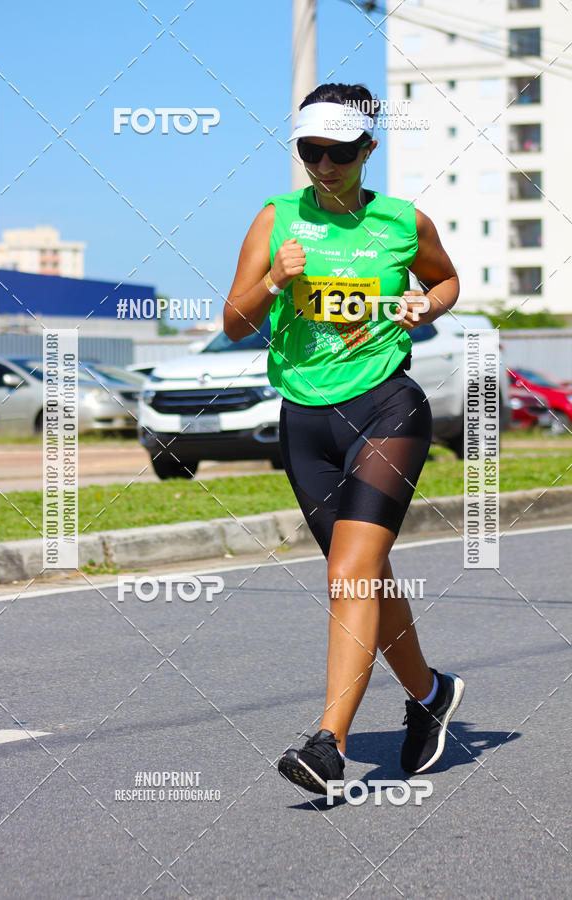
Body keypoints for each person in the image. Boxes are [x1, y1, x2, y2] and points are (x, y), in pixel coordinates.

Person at [223, 82, 464, 796]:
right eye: (310, 151)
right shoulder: (276, 219)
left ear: (368, 149)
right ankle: (430, 695)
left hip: (388, 406)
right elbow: (236, 321)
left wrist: (427, 303)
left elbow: (447, 281)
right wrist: (272, 278)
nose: (323, 165)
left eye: (337, 151)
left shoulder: (400, 221)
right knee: (366, 577)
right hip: (305, 419)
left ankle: (328, 742)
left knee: (348, 576)